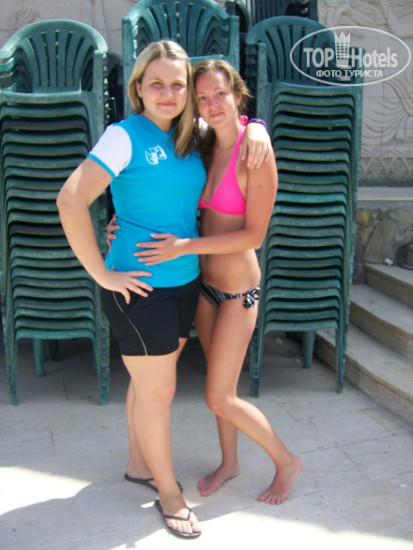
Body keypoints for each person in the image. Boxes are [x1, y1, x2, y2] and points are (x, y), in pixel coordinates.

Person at [57, 41, 271, 539]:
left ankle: (139, 464)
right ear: (138, 88)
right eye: (157, 83)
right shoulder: (123, 135)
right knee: (159, 392)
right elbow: (70, 199)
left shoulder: (190, 135)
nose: (169, 93)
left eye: (178, 84)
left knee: (149, 383)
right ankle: (170, 494)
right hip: (138, 288)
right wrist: (101, 273)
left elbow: (231, 126)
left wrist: (257, 125)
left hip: (185, 282)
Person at [131, 59, 302, 506]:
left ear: (238, 96)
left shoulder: (254, 153)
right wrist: (121, 226)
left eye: (220, 94)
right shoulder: (203, 145)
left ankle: (286, 462)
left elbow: (254, 236)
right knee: (219, 390)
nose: (211, 104)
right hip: (205, 287)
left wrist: (258, 127)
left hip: (238, 294)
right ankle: (230, 463)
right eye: (202, 97)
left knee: (220, 397)